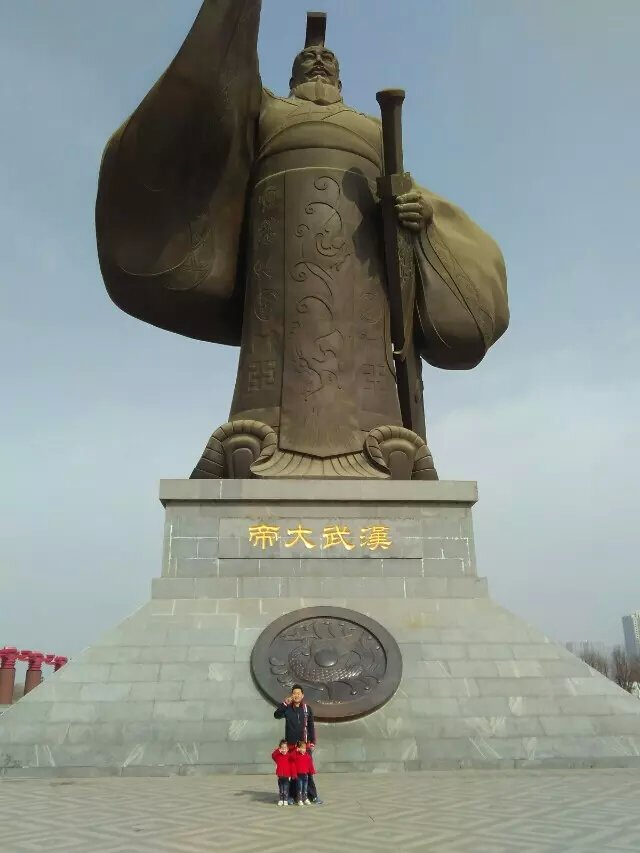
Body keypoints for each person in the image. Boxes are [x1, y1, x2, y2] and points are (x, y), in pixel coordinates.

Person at [273, 684, 323, 804]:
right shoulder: (287, 708)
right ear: (292, 695)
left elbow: (311, 726)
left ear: (302, 695)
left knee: (306, 772)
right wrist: (285, 703)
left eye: (298, 693)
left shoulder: (306, 709)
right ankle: (291, 796)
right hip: (291, 746)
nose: (296, 695)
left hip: (304, 746)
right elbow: (276, 715)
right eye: (294, 693)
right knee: (292, 772)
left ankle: (313, 796)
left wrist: (312, 742)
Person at [271, 738, 296, 806]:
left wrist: (291, 775)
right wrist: (278, 750)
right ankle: (281, 799)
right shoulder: (278, 756)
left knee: (286, 789)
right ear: (280, 748)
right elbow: (273, 755)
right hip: (280, 776)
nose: (284, 750)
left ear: (287, 749)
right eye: (282, 748)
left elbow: (294, 759)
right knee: (281, 789)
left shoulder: (289, 756)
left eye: (285, 748)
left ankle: (285, 800)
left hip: (287, 776)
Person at [292, 741, 314, 805]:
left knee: (305, 787)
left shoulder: (307, 755)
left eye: (304, 748)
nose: (303, 749)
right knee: (299, 788)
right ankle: (299, 799)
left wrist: (312, 770)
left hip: (305, 775)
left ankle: (305, 798)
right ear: (298, 748)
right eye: (302, 748)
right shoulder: (296, 755)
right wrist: (295, 750)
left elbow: (310, 764)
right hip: (299, 776)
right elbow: (291, 757)